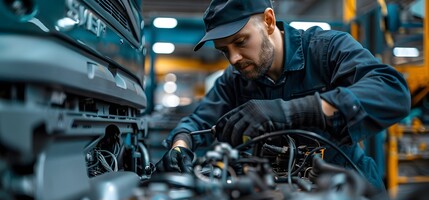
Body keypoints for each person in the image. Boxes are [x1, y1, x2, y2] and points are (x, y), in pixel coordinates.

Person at [156, 0, 411, 190]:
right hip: (274, 194)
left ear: (268, 21)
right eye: (225, 51)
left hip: (347, 188)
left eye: (241, 41)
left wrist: (295, 110)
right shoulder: (234, 81)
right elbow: (197, 123)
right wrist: (180, 148)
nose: (233, 58)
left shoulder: (326, 49)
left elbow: (392, 90)